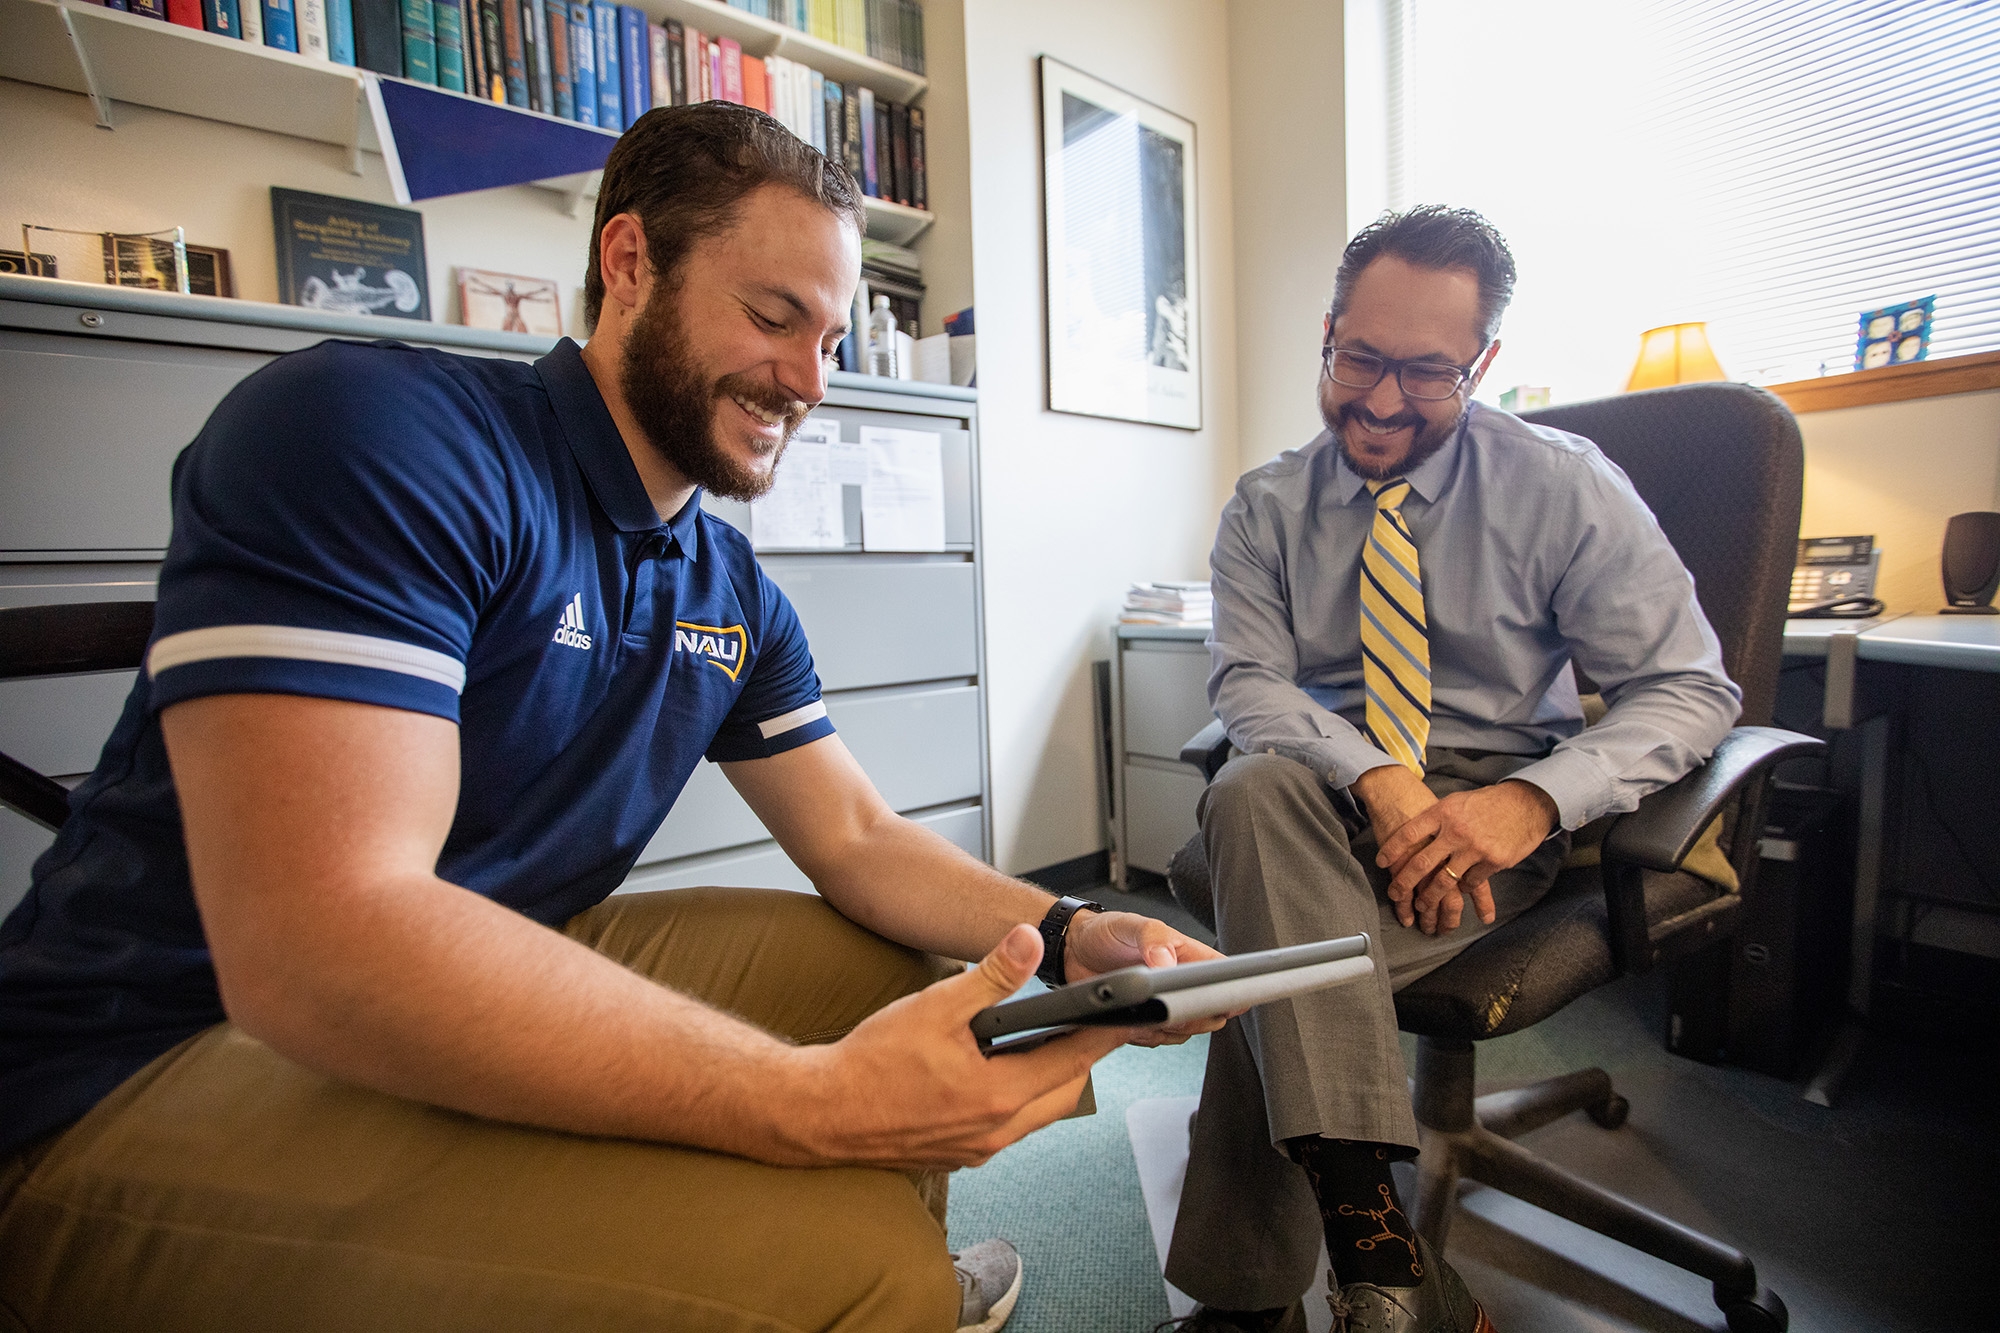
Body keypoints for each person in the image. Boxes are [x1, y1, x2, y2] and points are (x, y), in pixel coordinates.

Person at [0, 103, 1226, 1332]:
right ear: (629, 263)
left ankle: (853, 1257)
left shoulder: (722, 583)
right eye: (771, 315)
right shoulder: (382, 436)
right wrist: (809, 1103)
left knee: (870, 967)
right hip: (142, 1063)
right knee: (850, 1270)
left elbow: (852, 837)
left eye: (833, 335)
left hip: (489, 945)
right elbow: (326, 942)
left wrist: (1067, 929)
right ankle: (860, 1281)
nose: (809, 380)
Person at [1162, 206, 1742, 1332]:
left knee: (1263, 957)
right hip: (1313, 804)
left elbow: (1689, 687)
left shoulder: (1562, 486)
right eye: (1359, 358)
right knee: (1252, 783)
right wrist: (1377, 778)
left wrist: (1529, 802)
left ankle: (1244, 1307)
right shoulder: (1265, 507)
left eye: (1425, 373)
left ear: (1482, 364)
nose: (1379, 401)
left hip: (1489, 824)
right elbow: (1248, 686)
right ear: (1326, 333)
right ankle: (1384, 1261)